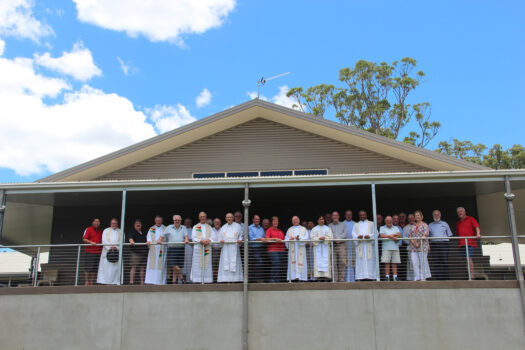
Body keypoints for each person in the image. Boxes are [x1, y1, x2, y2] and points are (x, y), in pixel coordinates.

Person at [456, 207, 481, 279]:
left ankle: (471, 276)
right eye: (458, 212)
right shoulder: (458, 222)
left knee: (469, 258)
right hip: (462, 244)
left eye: (461, 211)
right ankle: (470, 275)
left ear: (464, 212)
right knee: (466, 260)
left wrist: (478, 234)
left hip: (470, 242)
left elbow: (477, 227)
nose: (459, 213)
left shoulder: (470, 219)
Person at [218, 213, 243, 282]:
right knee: (225, 263)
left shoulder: (238, 226)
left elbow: (241, 236)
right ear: (225, 219)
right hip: (225, 248)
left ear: (233, 218)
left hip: (234, 247)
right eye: (227, 217)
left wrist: (240, 240)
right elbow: (220, 237)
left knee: (234, 262)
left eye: (230, 217)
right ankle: (225, 280)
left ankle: (235, 280)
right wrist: (221, 241)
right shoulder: (223, 227)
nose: (229, 219)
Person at [352, 210, 376, 281]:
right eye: (361, 215)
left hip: (369, 246)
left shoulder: (372, 224)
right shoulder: (356, 225)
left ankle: (371, 276)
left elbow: (375, 233)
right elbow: (353, 234)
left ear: (366, 215)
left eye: (363, 215)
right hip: (360, 246)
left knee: (370, 261)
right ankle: (360, 277)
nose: (362, 216)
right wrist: (357, 237)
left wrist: (369, 236)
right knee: (360, 261)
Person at [428, 210, 453, 280]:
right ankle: (439, 279)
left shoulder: (445, 224)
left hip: (444, 244)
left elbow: (450, 235)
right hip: (434, 245)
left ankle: (446, 279)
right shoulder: (430, 225)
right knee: (436, 262)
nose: (436, 216)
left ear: (440, 215)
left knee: (445, 261)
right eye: (435, 215)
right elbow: (427, 237)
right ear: (433, 216)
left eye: (437, 214)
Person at [97, 218, 122, 285]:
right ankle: (106, 282)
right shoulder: (106, 230)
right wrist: (110, 248)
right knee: (106, 269)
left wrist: (116, 247)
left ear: (117, 224)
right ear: (110, 224)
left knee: (115, 269)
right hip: (107, 252)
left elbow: (122, 241)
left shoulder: (121, 231)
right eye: (113, 223)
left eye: (115, 223)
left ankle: (116, 282)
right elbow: (104, 241)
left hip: (116, 252)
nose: (114, 225)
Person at [191, 212, 213, 283]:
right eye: (201, 216)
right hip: (198, 249)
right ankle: (197, 280)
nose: (203, 218)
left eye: (204, 216)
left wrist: (208, 240)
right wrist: (201, 240)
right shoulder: (196, 227)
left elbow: (213, 237)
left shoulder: (209, 227)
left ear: (206, 218)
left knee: (207, 264)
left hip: (207, 248)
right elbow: (193, 237)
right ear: (199, 218)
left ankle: (207, 280)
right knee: (197, 265)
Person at [408, 210, 431, 281]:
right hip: (413, 247)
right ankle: (417, 277)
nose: (417, 217)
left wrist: (418, 243)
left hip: (423, 246)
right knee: (414, 262)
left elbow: (425, 234)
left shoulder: (425, 225)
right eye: (416, 216)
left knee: (422, 262)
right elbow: (410, 236)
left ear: (421, 216)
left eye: (418, 215)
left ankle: (423, 277)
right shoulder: (413, 226)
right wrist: (414, 243)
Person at [163, 215, 186, 284]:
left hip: (181, 248)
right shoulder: (169, 227)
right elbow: (162, 235)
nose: (177, 221)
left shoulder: (183, 227)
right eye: (176, 220)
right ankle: (182, 278)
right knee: (174, 265)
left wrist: (187, 240)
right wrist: (158, 241)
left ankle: (174, 282)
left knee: (177, 266)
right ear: (173, 221)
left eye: (178, 220)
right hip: (172, 249)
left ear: (180, 221)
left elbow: (186, 236)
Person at [285, 216, 309, 281]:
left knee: (301, 262)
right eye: (293, 220)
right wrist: (290, 239)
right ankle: (293, 278)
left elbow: (306, 238)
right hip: (293, 250)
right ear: (292, 221)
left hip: (300, 250)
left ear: (299, 220)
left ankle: (301, 278)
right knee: (292, 263)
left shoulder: (303, 229)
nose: (295, 221)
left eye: (296, 219)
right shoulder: (289, 230)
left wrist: (299, 238)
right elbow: (286, 240)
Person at [145, 215, 166, 285]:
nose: (158, 222)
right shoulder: (151, 229)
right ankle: (151, 281)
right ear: (155, 221)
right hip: (153, 250)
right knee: (152, 265)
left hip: (162, 250)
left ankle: (160, 281)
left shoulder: (165, 228)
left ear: (162, 221)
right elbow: (148, 238)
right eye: (157, 221)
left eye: (159, 221)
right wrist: (148, 242)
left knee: (161, 266)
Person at [310, 215, 333, 280]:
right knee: (318, 261)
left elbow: (331, 237)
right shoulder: (314, 229)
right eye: (320, 219)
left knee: (326, 260)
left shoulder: (328, 228)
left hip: (325, 247)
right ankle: (318, 277)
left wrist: (324, 238)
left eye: (322, 219)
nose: (321, 220)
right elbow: (312, 237)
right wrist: (318, 238)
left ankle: (326, 276)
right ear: (317, 220)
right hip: (318, 247)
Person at [379, 216, 401, 281]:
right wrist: (392, 236)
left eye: (390, 220)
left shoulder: (396, 227)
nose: (389, 221)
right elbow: (382, 235)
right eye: (387, 220)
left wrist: (390, 236)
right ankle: (387, 277)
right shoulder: (382, 227)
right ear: (385, 221)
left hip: (395, 247)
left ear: (392, 221)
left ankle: (395, 277)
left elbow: (399, 235)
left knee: (395, 263)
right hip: (386, 248)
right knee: (387, 263)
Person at [264, 216, 286, 283]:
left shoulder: (280, 231)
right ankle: (272, 280)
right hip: (273, 250)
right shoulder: (269, 230)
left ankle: (277, 280)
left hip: (281, 251)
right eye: (274, 221)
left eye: (276, 221)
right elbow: (266, 239)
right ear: (272, 222)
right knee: (276, 264)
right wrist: (274, 239)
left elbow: (284, 239)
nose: (275, 222)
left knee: (279, 265)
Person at [329, 211, 348, 282]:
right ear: (331, 217)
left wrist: (338, 239)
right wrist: (334, 239)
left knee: (342, 262)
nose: (335, 217)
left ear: (339, 216)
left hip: (341, 245)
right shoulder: (329, 226)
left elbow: (345, 233)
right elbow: (329, 234)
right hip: (333, 245)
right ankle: (335, 279)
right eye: (333, 215)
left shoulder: (343, 225)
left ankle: (342, 279)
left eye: (336, 215)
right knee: (333, 263)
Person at [82, 218, 102, 285]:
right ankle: (87, 281)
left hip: (98, 252)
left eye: (98, 222)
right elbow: (84, 239)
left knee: (95, 268)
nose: (97, 223)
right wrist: (91, 242)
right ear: (92, 222)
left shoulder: (100, 231)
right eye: (95, 221)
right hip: (90, 251)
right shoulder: (88, 229)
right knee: (88, 267)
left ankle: (91, 281)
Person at [127, 219, 148, 285]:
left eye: (139, 223)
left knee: (142, 268)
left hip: (144, 253)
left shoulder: (144, 232)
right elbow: (130, 238)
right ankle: (131, 282)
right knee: (134, 267)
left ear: (141, 225)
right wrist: (131, 241)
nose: (138, 224)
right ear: (134, 225)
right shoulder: (132, 232)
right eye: (136, 223)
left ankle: (142, 283)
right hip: (135, 253)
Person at [249, 215, 266, 282]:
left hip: (261, 248)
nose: (257, 220)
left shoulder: (261, 228)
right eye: (256, 219)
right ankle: (256, 279)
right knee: (258, 263)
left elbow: (264, 237)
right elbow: (251, 238)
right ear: (253, 220)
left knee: (261, 263)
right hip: (254, 248)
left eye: (258, 219)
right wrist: (260, 239)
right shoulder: (250, 227)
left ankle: (259, 278)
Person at [343, 210, 355, 282]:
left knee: (353, 263)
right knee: (345, 263)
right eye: (347, 214)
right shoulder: (342, 224)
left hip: (353, 246)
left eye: (350, 214)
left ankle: (353, 279)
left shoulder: (355, 224)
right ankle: (346, 279)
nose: (349, 216)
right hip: (345, 246)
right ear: (345, 215)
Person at [403, 214, 416, 281]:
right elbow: (404, 239)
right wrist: (412, 242)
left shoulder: (418, 225)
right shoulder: (405, 228)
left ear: (414, 218)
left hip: (419, 247)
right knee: (411, 264)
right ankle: (411, 279)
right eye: (409, 218)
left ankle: (419, 277)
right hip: (410, 248)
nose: (411, 219)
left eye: (412, 218)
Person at [211, 217, 222, 282]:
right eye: (215, 222)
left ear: (220, 223)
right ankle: (214, 279)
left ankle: (220, 279)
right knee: (213, 265)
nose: (217, 223)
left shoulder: (223, 229)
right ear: (213, 223)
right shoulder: (211, 230)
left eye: (218, 222)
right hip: (213, 250)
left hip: (221, 250)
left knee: (220, 265)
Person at [182, 217, 193, 283]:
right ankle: (180, 281)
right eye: (186, 222)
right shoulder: (182, 229)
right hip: (182, 249)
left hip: (190, 249)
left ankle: (189, 280)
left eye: (189, 222)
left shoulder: (192, 230)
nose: (187, 223)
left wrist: (186, 240)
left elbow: (193, 240)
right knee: (181, 265)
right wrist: (188, 240)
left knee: (189, 264)